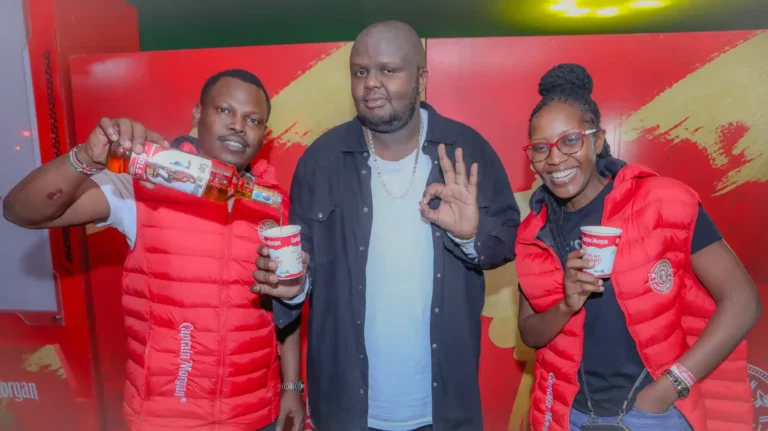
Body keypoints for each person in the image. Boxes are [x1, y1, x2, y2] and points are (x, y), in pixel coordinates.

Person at [251, 21, 521, 431]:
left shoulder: (466, 152)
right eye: (360, 72)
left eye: (388, 70)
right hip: (345, 408)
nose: (371, 83)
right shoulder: (320, 161)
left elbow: (503, 242)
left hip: (443, 408)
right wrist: (294, 287)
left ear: (422, 79)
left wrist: (469, 235)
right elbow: (301, 270)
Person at [3, 69, 305, 431]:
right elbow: (20, 210)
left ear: (264, 133)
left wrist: (291, 387)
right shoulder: (145, 181)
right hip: (168, 418)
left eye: (252, 119)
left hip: (257, 414)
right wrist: (85, 157)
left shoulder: (272, 202)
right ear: (197, 114)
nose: (238, 126)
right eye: (225, 111)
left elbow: (285, 308)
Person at [515, 63, 760, 431]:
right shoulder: (534, 234)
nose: (555, 159)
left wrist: (664, 392)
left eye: (570, 140)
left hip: (655, 415)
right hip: (570, 416)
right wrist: (566, 305)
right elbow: (530, 333)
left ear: (597, 141)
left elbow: (742, 301)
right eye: (540, 147)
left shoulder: (663, 202)